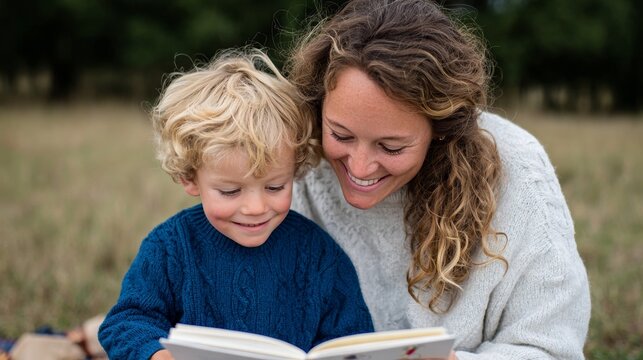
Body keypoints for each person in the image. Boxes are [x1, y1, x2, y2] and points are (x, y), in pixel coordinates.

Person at [285, 0, 591, 359]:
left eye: (391, 146)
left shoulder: (518, 171)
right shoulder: (296, 154)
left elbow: (553, 348)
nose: (361, 167)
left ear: (441, 131)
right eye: (341, 135)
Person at [98, 49, 373, 360]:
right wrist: (155, 354)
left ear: (295, 171)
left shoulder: (319, 255)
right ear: (190, 178)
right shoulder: (171, 248)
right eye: (230, 191)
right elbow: (126, 323)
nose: (255, 207)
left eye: (274, 186)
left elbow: (355, 340)